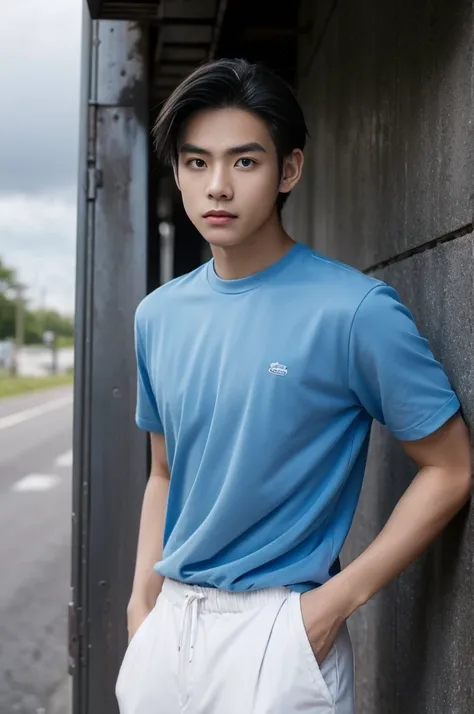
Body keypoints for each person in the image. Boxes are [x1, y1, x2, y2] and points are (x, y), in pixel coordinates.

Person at [115, 58, 471, 714]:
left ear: (290, 169)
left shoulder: (355, 309)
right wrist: (142, 606)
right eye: (196, 163)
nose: (217, 187)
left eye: (244, 162)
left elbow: (450, 467)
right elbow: (163, 473)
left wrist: (333, 606)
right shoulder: (157, 315)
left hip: (280, 637)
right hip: (167, 634)